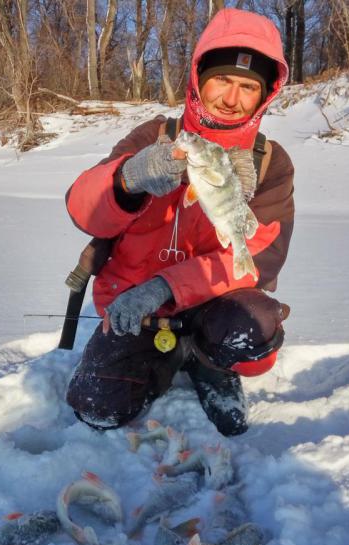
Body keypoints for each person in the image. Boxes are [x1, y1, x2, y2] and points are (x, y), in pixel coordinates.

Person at [64, 8, 295, 436]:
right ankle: (162, 361)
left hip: (213, 306)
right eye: (222, 80)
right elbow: (81, 208)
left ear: (264, 95)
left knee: (255, 329)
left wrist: (167, 286)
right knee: (99, 407)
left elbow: (265, 257)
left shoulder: (269, 162)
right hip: (135, 304)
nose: (231, 98)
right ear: (199, 77)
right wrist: (127, 178)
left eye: (248, 87)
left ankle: (210, 363)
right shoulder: (155, 137)